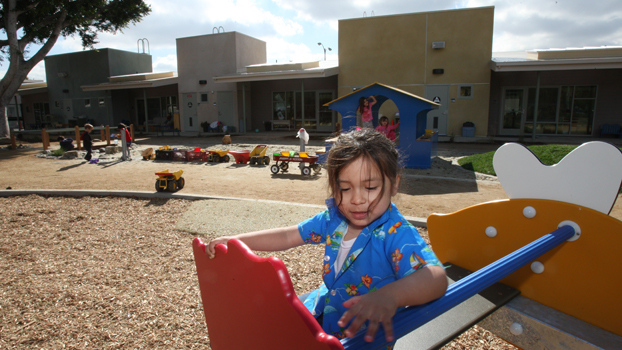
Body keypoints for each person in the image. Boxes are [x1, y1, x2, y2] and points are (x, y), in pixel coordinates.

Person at [206, 128, 447, 347]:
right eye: (345, 188)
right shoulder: (334, 219)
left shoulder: (396, 234)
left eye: (370, 187)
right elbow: (289, 235)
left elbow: (436, 277)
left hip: (363, 337)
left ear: (394, 185)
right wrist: (237, 240)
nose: (357, 199)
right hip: (323, 311)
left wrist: (390, 296)